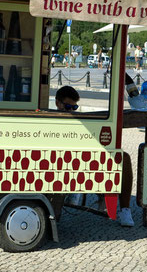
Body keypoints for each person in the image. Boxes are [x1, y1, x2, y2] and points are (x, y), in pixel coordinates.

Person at [55, 86, 135, 226]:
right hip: (63, 160)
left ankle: (124, 209)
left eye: (74, 108)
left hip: (81, 158)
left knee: (123, 158)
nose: (71, 111)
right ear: (58, 103)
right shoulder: (51, 118)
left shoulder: (77, 119)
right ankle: (96, 196)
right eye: (68, 106)